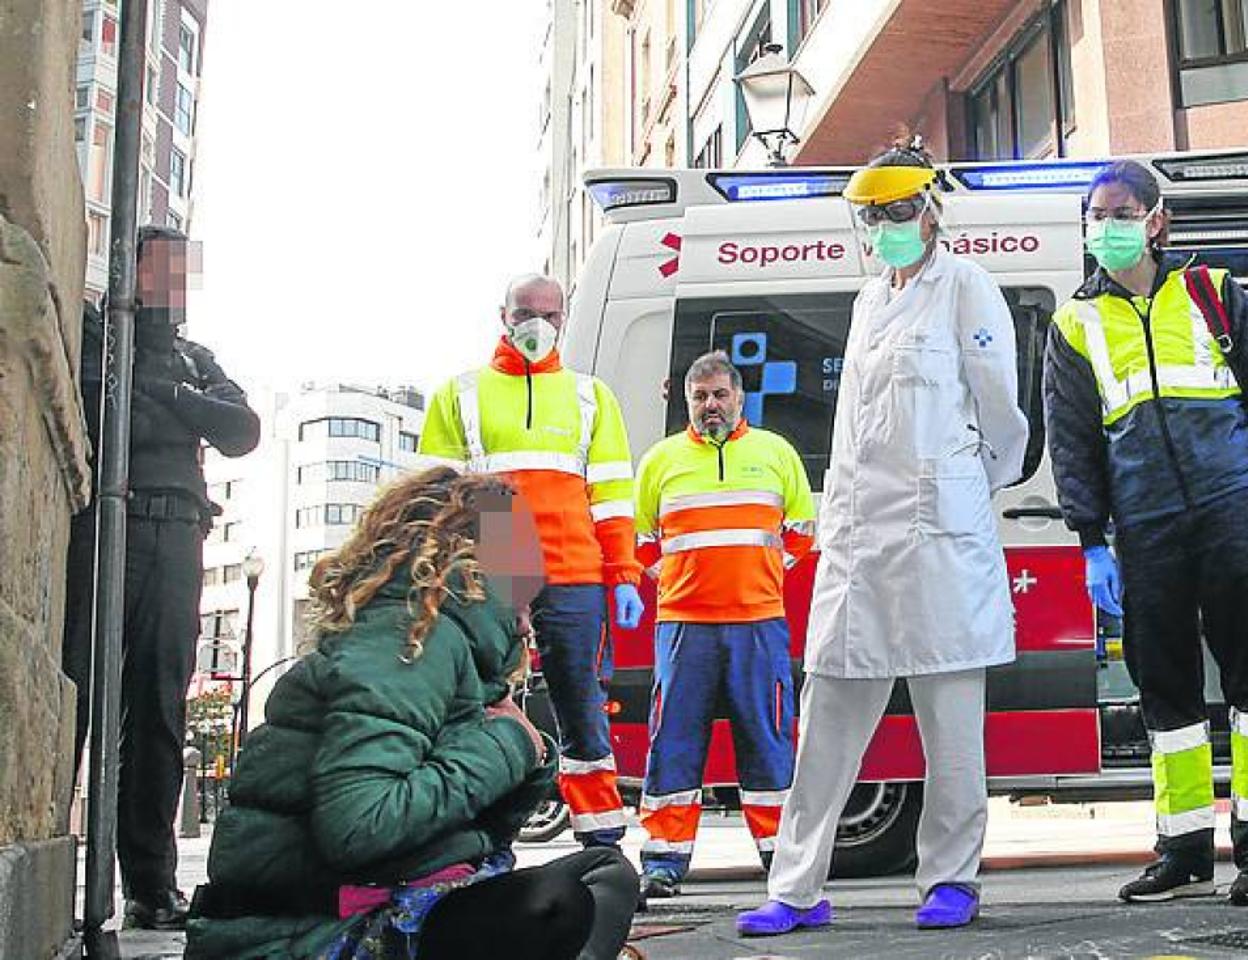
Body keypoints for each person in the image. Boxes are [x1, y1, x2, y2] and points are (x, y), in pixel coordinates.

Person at [736, 135, 1028, 937]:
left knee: (952, 725)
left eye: (898, 212)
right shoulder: (870, 300)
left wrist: (967, 487)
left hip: (940, 539)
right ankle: (795, 889)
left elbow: (1001, 413)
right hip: (862, 541)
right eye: (873, 217)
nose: (886, 227)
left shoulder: (967, 288)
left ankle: (952, 881)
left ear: (931, 212)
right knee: (826, 721)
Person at [184, 469, 640, 959]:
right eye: (523, 585)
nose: (529, 619)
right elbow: (360, 826)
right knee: (556, 905)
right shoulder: (404, 643)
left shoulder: (449, 647)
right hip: (305, 931)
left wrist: (531, 758)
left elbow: (474, 833)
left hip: (381, 899)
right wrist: (508, 743)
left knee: (603, 872)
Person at [1043, 159, 1248, 904]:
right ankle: (1184, 848)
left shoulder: (1216, 295)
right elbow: (1073, 441)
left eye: (1120, 213)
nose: (1107, 228)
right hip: (1145, 524)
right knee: (1166, 694)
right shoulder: (1076, 322)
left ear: (1156, 221)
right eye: (1096, 216)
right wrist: (1091, 540)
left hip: (1233, 512)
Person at [62, 224, 260, 930]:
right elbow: (99, 405)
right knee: (78, 692)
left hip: (178, 534)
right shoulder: (96, 331)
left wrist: (163, 393)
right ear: (132, 271)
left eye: (183, 271)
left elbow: (241, 428)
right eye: (161, 269)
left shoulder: (193, 357)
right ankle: (61, 868)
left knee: (158, 713)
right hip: (107, 531)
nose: (173, 285)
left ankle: (152, 886)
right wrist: (178, 406)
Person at [418, 274, 644, 848]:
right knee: (476, 698)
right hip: (492, 559)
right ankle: (476, 837)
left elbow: (614, 496)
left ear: (565, 318)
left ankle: (599, 838)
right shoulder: (459, 393)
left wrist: (622, 574)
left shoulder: (592, 396)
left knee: (581, 702)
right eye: (525, 312)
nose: (537, 325)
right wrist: (439, 572)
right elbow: (433, 496)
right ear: (503, 315)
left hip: (574, 567)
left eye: (550, 314)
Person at [632, 351, 814, 900]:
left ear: (739, 398)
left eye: (719, 395)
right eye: (699, 396)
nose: (710, 405)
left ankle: (781, 858)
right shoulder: (660, 461)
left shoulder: (776, 454)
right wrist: (681, 579)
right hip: (684, 625)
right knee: (674, 741)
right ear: (687, 401)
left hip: (758, 622)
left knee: (768, 737)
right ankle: (663, 861)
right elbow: (641, 541)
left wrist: (757, 574)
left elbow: (802, 530)